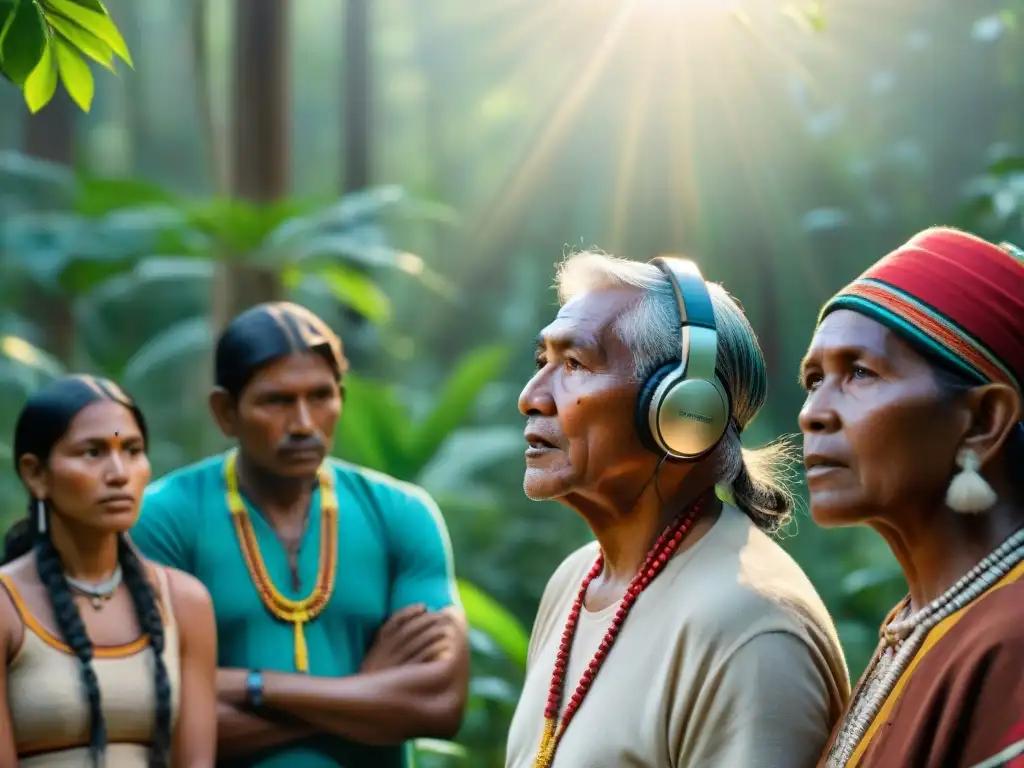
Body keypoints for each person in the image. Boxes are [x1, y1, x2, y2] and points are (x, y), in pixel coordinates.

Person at [505, 251, 851, 768]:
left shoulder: (749, 629)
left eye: (574, 364)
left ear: (683, 411)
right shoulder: (574, 582)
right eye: (542, 363)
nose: (531, 397)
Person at [129, 302, 469, 768]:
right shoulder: (164, 518)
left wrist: (248, 685)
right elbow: (151, 718)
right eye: (277, 401)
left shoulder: (401, 513)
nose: (305, 424)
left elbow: (439, 706)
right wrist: (365, 688)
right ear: (225, 412)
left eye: (320, 396)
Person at [798, 227, 1024, 768]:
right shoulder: (918, 627)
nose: (813, 413)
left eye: (859, 373)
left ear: (983, 422)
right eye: (812, 380)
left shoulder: (1013, 639)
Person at [0, 375, 217, 767]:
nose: (119, 473)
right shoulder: (6, 607)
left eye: (132, 450)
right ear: (36, 475)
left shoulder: (186, 603)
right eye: (93, 452)